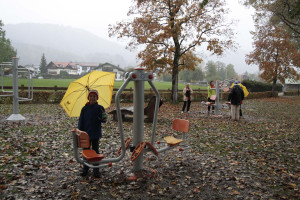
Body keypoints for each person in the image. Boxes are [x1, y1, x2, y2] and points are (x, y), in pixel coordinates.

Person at [78, 90, 107, 178]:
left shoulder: (100, 108)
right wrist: (80, 132)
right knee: (86, 151)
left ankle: (96, 170)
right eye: (91, 96)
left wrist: (104, 118)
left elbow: (104, 120)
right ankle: (85, 168)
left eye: (94, 96)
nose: (92, 98)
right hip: (85, 133)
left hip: (95, 133)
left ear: (97, 98)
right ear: (88, 98)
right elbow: (81, 121)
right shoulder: (84, 109)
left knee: (95, 151)